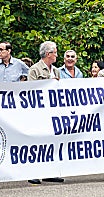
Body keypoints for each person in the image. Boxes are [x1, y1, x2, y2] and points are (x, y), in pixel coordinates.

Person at [27, 41, 63, 185]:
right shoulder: (35, 69)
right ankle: (33, 172)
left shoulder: (57, 71)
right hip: (38, 112)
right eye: (55, 52)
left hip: (52, 112)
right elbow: (31, 90)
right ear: (48, 54)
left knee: (51, 141)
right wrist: (48, 82)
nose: (57, 55)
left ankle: (49, 172)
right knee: (36, 142)